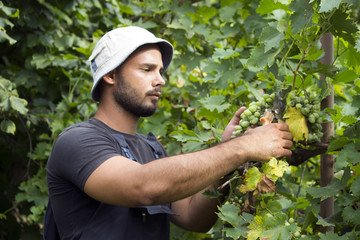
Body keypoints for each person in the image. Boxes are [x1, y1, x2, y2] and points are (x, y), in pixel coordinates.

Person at [45, 26, 293, 240]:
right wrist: (242, 147)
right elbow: (142, 186)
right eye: (146, 69)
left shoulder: (152, 150)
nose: (160, 80)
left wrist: (230, 150)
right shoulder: (77, 141)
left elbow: (194, 219)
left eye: (160, 71)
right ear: (110, 74)